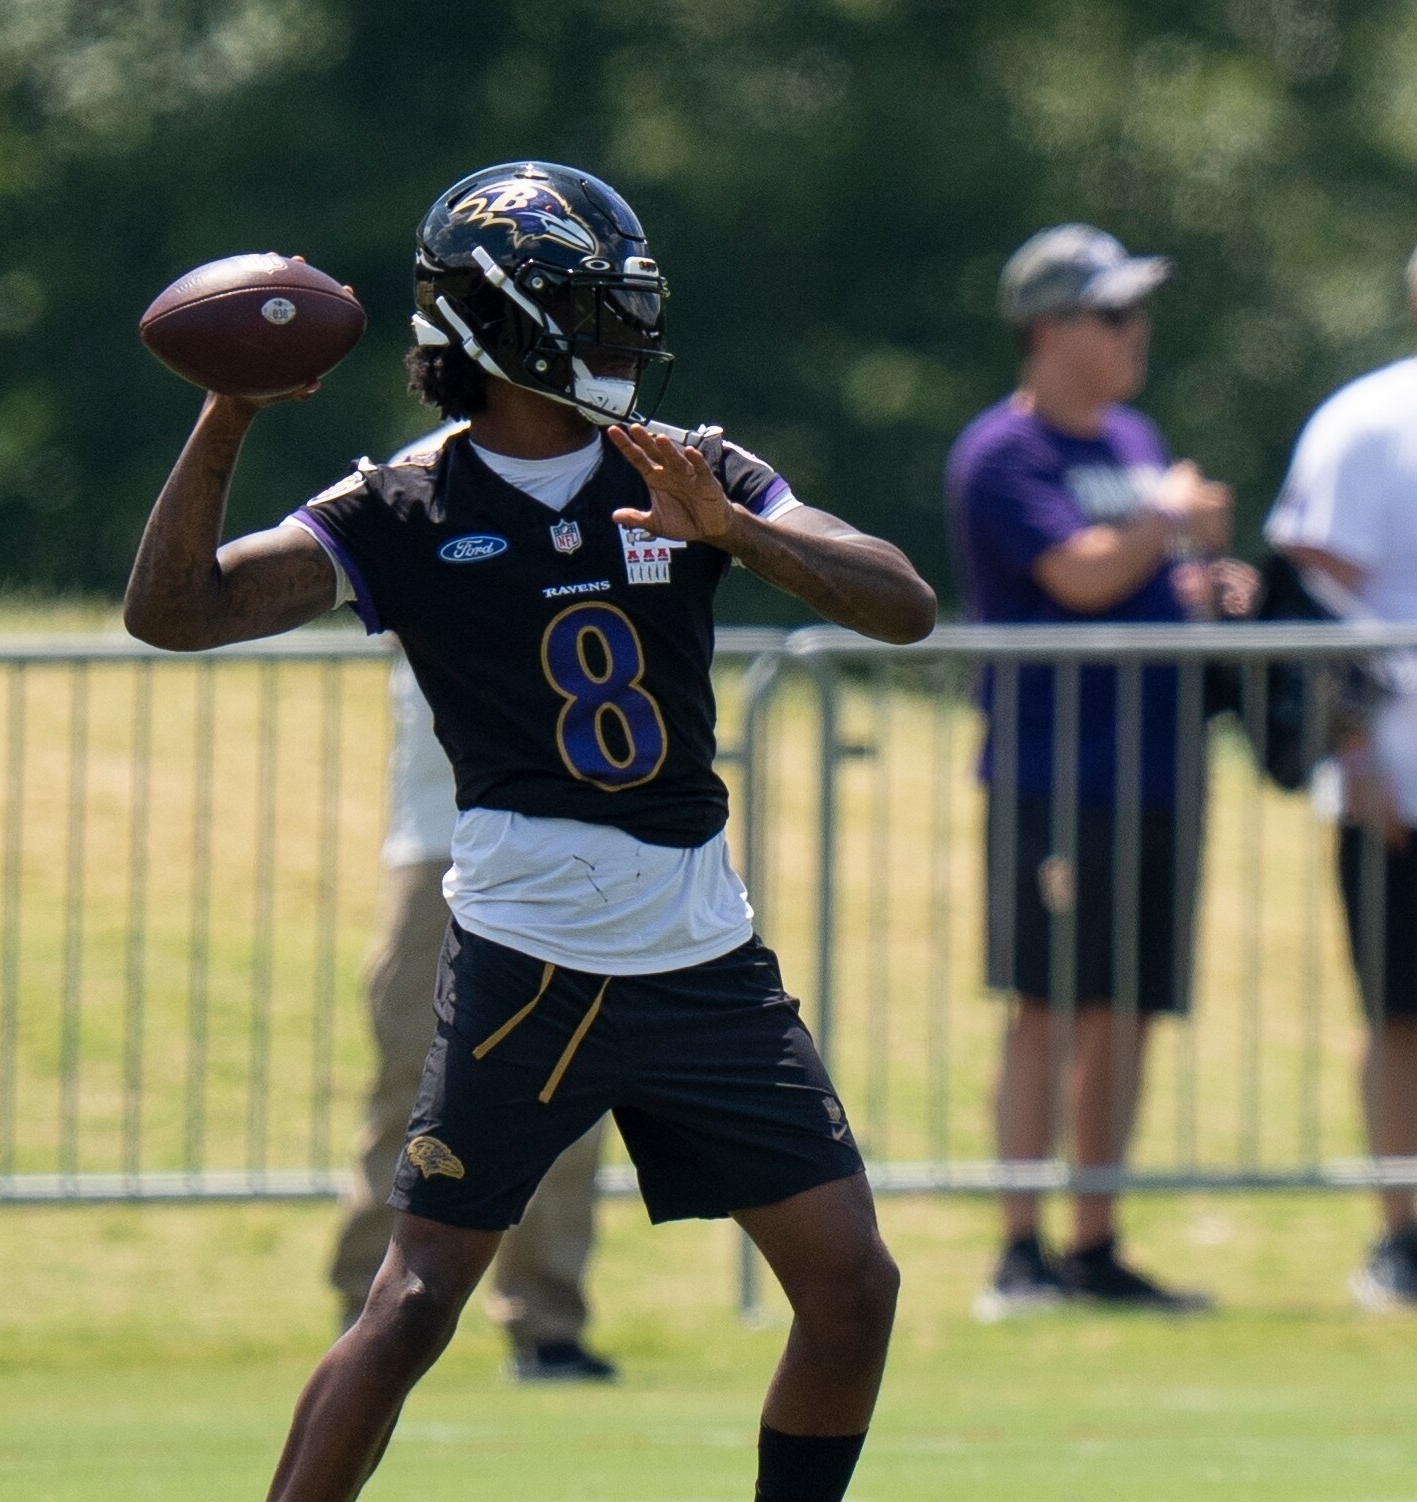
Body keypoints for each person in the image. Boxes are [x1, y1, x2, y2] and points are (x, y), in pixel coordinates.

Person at [125, 160, 933, 1502]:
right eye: (595, 308)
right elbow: (175, 611)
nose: (626, 336)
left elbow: (902, 604)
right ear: (502, 323)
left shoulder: (691, 467)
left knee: (851, 1284)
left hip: (697, 948)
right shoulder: (404, 505)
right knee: (413, 1301)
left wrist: (736, 531)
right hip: (529, 954)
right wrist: (228, 411)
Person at [946, 223, 1256, 1317]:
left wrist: (1207, 585)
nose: (1135, 333)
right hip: (1053, 773)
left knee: (1124, 1008)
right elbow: (1076, 576)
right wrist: (1166, 519)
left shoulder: (1130, 438)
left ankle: (1094, 1244)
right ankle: (1018, 1252)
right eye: (1112, 313)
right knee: (1046, 1005)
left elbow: (1135, 579)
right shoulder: (1003, 452)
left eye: (1135, 312)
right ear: (1046, 329)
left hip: (1156, 770)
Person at [331, 640, 614, 1383]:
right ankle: (364, 1317)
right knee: (408, 1088)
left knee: (569, 1089)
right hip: (442, 841)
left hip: (568, 848)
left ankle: (547, 1323)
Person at [1262, 244, 1417, 1309]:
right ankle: (1403, 1234)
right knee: (1400, 1012)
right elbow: (1308, 604)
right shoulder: (1368, 420)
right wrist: (1352, 749)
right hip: (1396, 778)